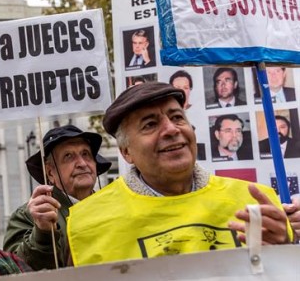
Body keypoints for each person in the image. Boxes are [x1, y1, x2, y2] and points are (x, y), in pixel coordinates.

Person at [67, 82, 294, 267]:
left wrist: (285, 252)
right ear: (126, 152)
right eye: (150, 124)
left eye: (177, 117)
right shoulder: (86, 223)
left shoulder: (255, 202)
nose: (172, 129)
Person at [3, 125, 111, 270]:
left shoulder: (113, 205)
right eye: (68, 156)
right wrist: (42, 233)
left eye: (86, 154)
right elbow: (15, 270)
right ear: (50, 173)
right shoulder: (28, 216)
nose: (82, 163)